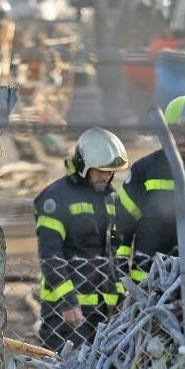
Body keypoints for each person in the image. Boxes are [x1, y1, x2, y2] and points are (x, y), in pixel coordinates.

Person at [34, 127, 130, 351]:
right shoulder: (55, 199)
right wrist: (68, 301)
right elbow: (50, 254)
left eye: (111, 172)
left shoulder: (109, 197)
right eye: (101, 171)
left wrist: (119, 298)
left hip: (103, 312)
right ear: (84, 166)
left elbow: (112, 252)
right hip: (66, 314)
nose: (107, 176)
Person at [115, 94, 185, 281]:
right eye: (175, 133)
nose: (182, 140)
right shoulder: (144, 170)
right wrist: (121, 280)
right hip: (147, 282)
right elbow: (121, 229)